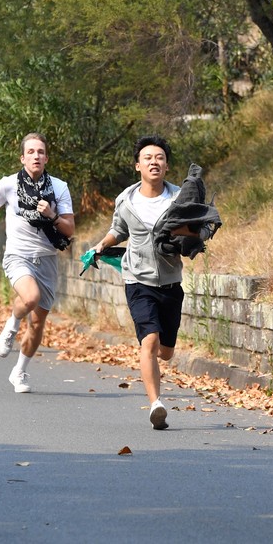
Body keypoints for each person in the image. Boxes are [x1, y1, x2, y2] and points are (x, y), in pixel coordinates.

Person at [90, 135, 196, 430]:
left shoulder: (180, 199)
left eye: (159, 157)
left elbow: (195, 230)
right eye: (148, 158)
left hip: (171, 282)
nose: (154, 162)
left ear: (166, 165)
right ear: (138, 165)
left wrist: (190, 238)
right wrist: (102, 244)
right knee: (148, 341)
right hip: (137, 279)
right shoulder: (126, 200)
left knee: (166, 351)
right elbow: (118, 229)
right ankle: (156, 404)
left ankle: (159, 374)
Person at [0, 132, 75, 393]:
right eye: (31, 152)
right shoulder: (8, 184)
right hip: (18, 255)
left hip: (46, 259)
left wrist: (52, 215)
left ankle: (19, 371)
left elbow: (69, 229)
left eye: (40, 152)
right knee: (30, 298)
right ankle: (11, 325)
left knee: (38, 323)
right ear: (22, 157)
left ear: (46, 158)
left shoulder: (59, 187)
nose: (36, 156)